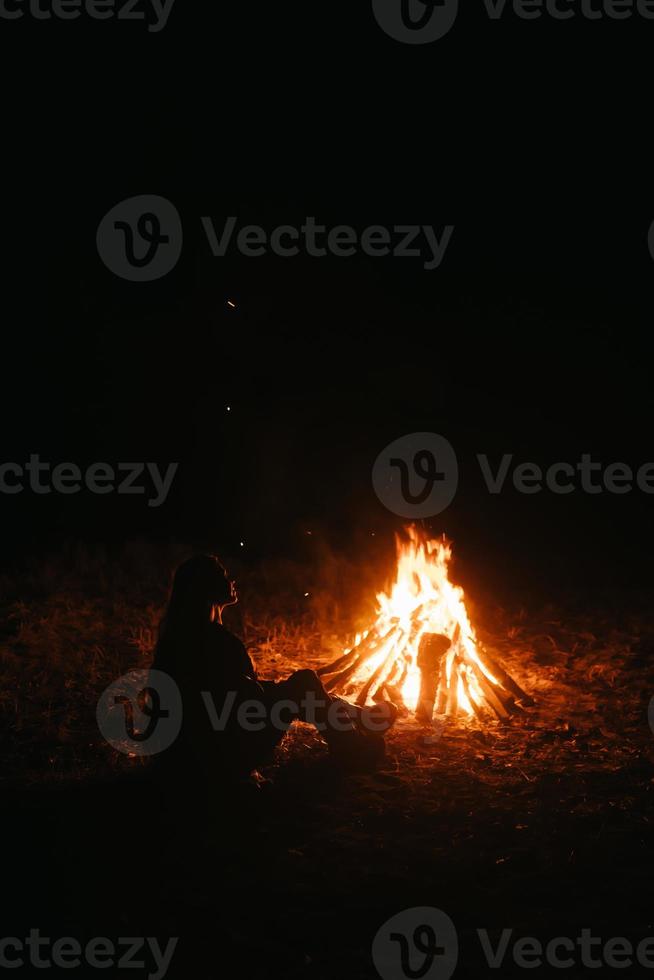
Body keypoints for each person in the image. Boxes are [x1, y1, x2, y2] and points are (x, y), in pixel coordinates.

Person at [150, 554, 396, 785]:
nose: (231, 580)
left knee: (300, 688)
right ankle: (352, 749)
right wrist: (290, 695)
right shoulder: (217, 642)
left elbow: (238, 694)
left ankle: (357, 717)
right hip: (225, 756)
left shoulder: (179, 636)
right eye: (223, 575)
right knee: (305, 683)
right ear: (207, 588)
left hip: (190, 756)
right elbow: (246, 702)